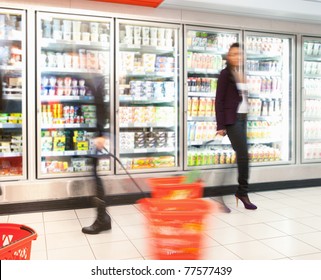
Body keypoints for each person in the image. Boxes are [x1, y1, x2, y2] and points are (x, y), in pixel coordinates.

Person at [215, 42, 257, 210]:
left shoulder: (242, 73)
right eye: (233, 54)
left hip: (243, 119)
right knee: (243, 156)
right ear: (228, 57)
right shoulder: (225, 74)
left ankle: (238, 192)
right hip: (232, 120)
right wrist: (221, 125)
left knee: (241, 157)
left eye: (239, 54)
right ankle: (241, 192)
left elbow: (243, 98)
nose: (236, 57)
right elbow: (219, 100)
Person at [81, 75, 112, 234]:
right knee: (94, 174)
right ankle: (103, 218)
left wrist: (102, 133)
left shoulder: (96, 79)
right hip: (92, 133)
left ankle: (102, 219)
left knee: (95, 175)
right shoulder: (92, 78)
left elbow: (102, 105)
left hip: (96, 134)